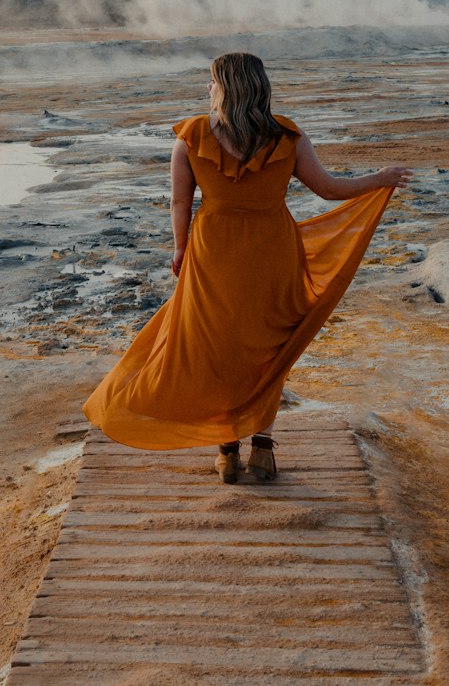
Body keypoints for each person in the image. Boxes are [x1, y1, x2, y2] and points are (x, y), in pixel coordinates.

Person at [82, 52, 410, 481]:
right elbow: (329, 189)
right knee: (267, 352)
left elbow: (181, 202)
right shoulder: (288, 137)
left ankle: (227, 451)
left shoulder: (192, 136)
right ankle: (262, 449)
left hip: (212, 253)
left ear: (224, 86)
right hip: (272, 253)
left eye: (211, 81)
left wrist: (180, 250)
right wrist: (378, 179)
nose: (207, 88)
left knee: (217, 350)